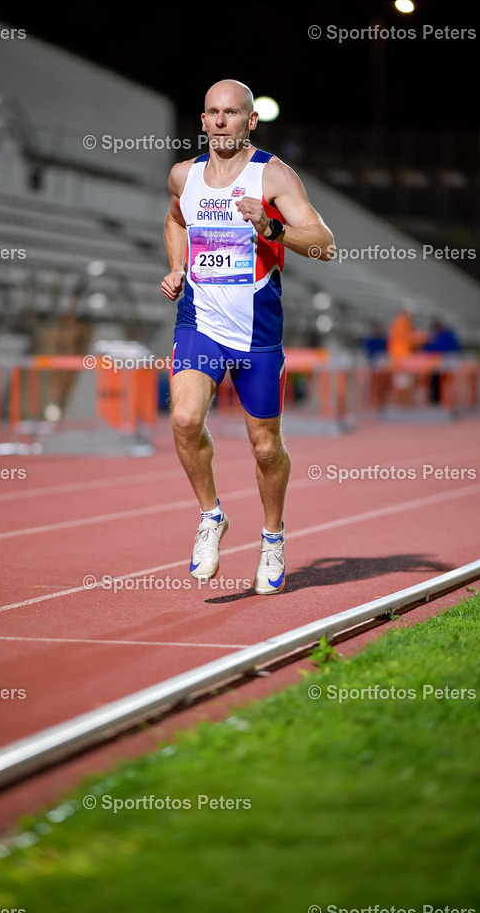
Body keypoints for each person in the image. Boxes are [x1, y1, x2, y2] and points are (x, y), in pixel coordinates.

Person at [161, 79, 335, 595]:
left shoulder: (273, 176)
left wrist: (273, 229)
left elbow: (325, 245)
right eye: (212, 112)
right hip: (199, 321)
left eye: (231, 114)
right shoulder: (182, 176)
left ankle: (273, 536)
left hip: (257, 331)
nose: (220, 122)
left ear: (250, 122)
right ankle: (211, 516)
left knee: (264, 448)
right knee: (185, 418)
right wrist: (176, 266)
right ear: (202, 120)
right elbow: (174, 221)